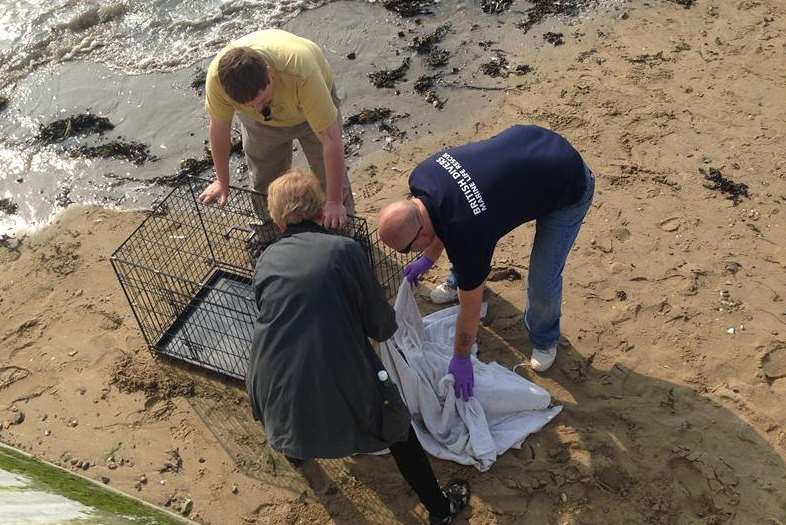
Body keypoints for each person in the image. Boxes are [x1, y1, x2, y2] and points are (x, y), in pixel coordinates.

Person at [247, 169, 469, 524]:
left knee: (290, 404)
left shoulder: (266, 260)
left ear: (276, 217)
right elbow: (380, 325)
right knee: (397, 426)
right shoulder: (345, 249)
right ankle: (440, 509)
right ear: (321, 210)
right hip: (337, 370)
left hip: (267, 377)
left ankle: (295, 453)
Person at [378, 125, 595, 398]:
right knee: (467, 242)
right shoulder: (422, 176)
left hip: (567, 182)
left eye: (407, 249)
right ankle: (461, 275)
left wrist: (461, 358)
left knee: (542, 279)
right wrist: (427, 259)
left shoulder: (466, 229)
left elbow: (470, 309)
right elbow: (441, 216)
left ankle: (545, 338)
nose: (408, 254)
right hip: (529, 142)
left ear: (420, 233)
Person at [197, 29, 354, 229]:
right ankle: (271, 231)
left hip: (308, 109)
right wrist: (221, 181)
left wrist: (334, 202)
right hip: (260, 126)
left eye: (262, 101)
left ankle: (345, 233)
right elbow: (219, 129)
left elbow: (332, 140)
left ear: (270, 74)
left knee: (330, 181)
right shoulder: (217, 80)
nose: (258, 108)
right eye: (249, 105)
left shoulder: (300, 69)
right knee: (265, 183)